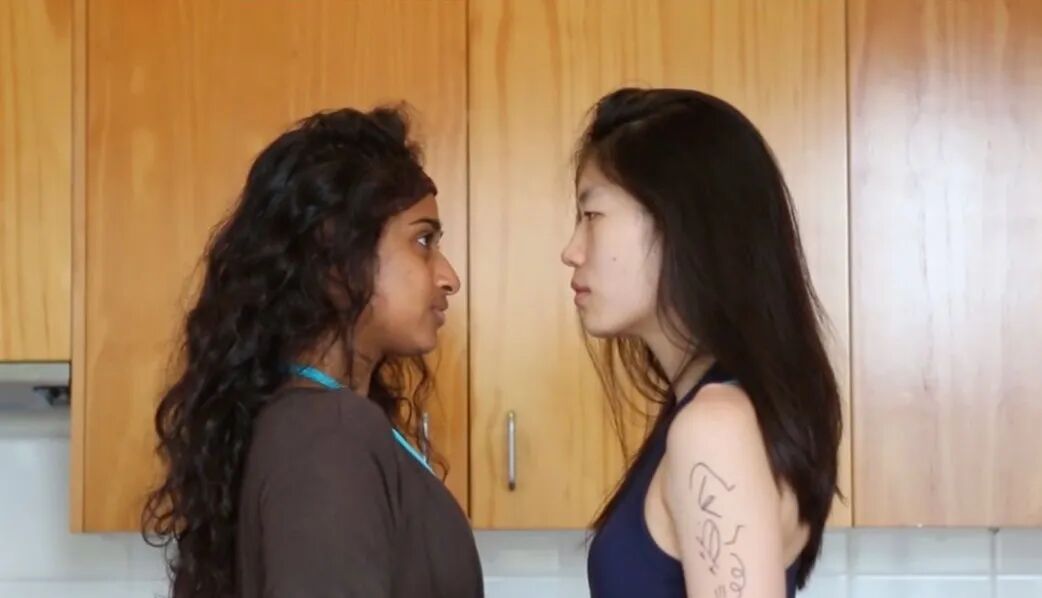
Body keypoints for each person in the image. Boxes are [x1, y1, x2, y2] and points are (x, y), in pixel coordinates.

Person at [142, 106, 483, 598]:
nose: (449, 277)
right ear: (336, 257)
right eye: (423, 240)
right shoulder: (330, 433)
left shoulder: (317, 422)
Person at [562, 88, 843, 598]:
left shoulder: (715, 428)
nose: (571, 250)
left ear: (680, 223)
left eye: (592, 215)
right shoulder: (716, 413)